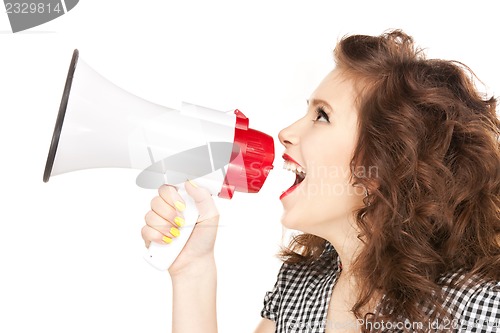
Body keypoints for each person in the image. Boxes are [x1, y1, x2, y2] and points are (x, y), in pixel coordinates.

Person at [140, 30, 500, 333]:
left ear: (389, 161)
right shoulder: (300, 286)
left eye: (322, 116)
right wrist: (193, 271)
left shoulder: (480, 310)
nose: (285, 133)